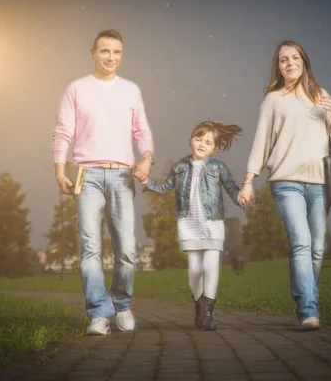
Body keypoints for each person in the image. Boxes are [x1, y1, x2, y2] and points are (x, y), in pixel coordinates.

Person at [52, 29, 155, 336]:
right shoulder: (76, 89)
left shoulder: (131, 90)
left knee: (125, 249)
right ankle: (98, 313)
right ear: (93, 53)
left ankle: (121, 305)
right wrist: (60, 171)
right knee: (90, 248)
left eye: (117, 52)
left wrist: (147, 158)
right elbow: (62, 132)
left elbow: (142, 132)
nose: (111, 57)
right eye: (105, 51)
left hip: (123, 176)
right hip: (87, 176)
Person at [238, 40, 331, 331]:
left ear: (304, 61)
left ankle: (310, 297)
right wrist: (249, 180)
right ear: (279, 66)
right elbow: (261, 140)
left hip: (321, 183)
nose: (290, 63)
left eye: (294, 57)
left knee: (318, 248)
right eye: (284, 59)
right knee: (301, 243)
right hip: (286, 182)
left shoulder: (320, 95)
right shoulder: (274, 99)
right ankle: (308, 310)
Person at [138, 121, 242, 331]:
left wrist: (242, 197)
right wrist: (145, 181)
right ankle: (199, 306)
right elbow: (165, 187)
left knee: (211, 267)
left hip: (213, 223)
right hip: (188, 223)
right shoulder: (179, 167)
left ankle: (209, 312)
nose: (202, 144)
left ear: (215, 148)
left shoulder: (218, 167)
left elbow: (232, 189)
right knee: (195, 270)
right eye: (199, 138)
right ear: (190, 140)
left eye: (208, 142)